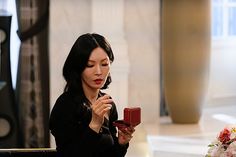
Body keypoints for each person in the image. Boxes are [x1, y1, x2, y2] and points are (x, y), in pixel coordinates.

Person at [49, 33, 135, 157]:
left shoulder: (107, 103)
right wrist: (94, 125)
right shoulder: (65, 105)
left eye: (104, 64)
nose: (99, 72)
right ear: (78, 67)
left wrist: (121, 143)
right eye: (90, 65)